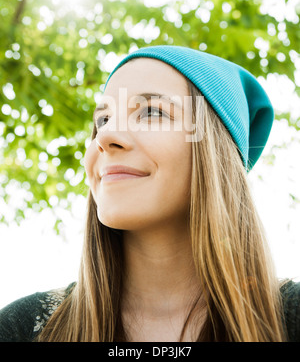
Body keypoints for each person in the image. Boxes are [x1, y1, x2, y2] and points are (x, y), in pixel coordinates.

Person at [0, 45, 299, 342]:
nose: (105, 136)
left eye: (152, 112)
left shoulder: (291, 319)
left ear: (215, 153)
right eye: (103, 120)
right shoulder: (20, 329)